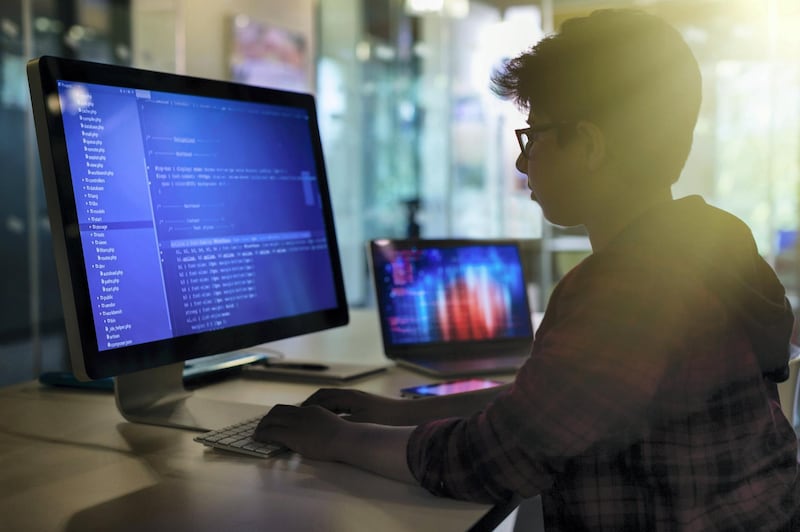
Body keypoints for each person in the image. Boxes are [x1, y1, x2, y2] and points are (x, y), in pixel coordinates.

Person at [255, 8, 800, 530]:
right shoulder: (709, 245)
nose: (521, 161)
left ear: (587, 144)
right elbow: (547, 408)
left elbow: (494, 459)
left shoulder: (630, 288)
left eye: (533, 136)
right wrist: (390, 413)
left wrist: (338, 441)